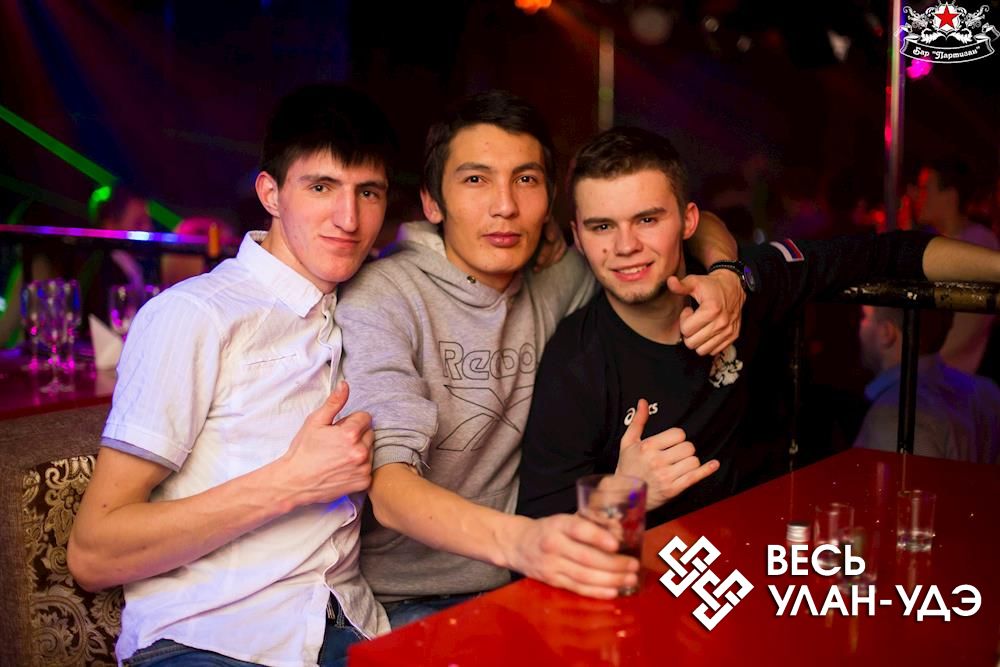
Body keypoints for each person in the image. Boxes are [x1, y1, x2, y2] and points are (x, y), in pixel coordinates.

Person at [335, 91, 745, 626]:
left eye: (525, 180)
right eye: (476, 179)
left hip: (529, 580)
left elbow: (689, 219)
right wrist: (525, 543)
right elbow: (389, 490)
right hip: (405, 601)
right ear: (432, 203)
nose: (505, 206)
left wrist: (728, 275)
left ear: (550, 202)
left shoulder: (564, 276)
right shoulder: (384, 296)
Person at [516, 127, 1000, 528]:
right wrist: (624, 491)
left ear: (688, 220)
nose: (625, 246)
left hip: (759, 559)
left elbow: (890, 253)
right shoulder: (574, 363)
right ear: (578, 236)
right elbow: (538, 529)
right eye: (602, 226)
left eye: (646, 219)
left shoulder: (745, 283)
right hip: (647, 583)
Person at [68, 84, 397, 666]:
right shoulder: (195, 314)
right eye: (321, 187)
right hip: (208, 640)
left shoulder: (366, 307)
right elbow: (94, 553)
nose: (349, 219)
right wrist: (289, 482)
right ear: (270, 193)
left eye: (367, 192)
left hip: (351, 625)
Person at [854, 305, 1000, 463]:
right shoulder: (986, 391)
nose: (858, 326)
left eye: (865, 317)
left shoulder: (896, 413)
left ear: (886, 333)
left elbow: (908, 478)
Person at [914, 158, 999, 374]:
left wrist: (914, 362)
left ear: (950, 196)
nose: (917, 196)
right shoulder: (937, 242)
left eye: (925, 188)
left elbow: (964, 331)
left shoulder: (978, 246)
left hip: (951, 380)